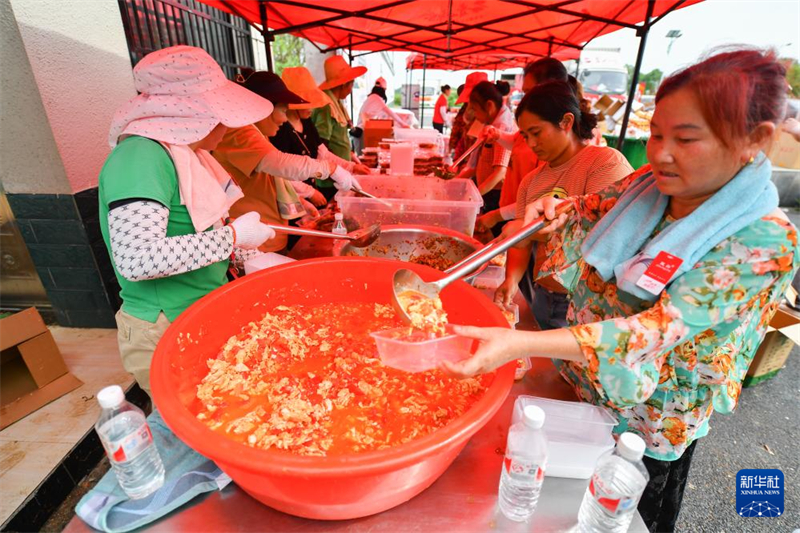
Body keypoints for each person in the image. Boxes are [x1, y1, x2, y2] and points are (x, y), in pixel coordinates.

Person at [443, 49, 798, 533]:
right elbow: (588, 205)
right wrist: (553, 204)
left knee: (627, 514)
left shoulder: (765, 239)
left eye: (686, 139)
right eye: (655, 134)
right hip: (589, 382)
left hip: (653, 417)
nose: (660, 153)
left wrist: (520, 341)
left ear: (752, 141)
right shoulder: (651, 184)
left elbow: (654, 330)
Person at [99, 46, 276, 394]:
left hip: (198, 310)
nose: (226, 125)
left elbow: (193, 227)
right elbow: (137, 258)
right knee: (190, 428)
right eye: (219, 113)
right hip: (163, 325)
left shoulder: (184, 156)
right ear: (192, 114)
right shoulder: (140, 157)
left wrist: (243, 252)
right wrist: (233, 237)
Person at [496, 81, 632, 330]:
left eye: (536, 132)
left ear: (566, 122)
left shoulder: (604, 163)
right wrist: (511, 280)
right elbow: (522, 242)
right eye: (525, 136)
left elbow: (608, 232)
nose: (532, 144)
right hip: (545, 294)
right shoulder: (532, 181)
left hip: (588, 301)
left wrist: (525, 228)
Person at [213, 72, 361, 254]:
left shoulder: (259, 132)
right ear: (263, 107)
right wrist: (330, 169)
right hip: (255, 244)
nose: (284, 119)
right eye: (283, 110)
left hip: (269, 234)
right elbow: (279, 163)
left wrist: (300, 201)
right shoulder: (239, 132)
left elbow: (270, 178)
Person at [476, 57, 570, 235]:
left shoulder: (552, 146)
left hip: (528, 220)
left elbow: (540, 199)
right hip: (514, 211)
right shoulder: (535, 130)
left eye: (529, 92)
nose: (531, 142)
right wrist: (497, 135)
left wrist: (497, 215)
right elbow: (517, 142)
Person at [272, 67, 370, 202]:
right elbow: (280, 173)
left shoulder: (306, 122)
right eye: (308, 104)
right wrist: (309, 193)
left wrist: (351, 166)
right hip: (292, 198)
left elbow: (323, 153)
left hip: (311, 190)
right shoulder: (279, 129)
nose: (312, 109)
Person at [453, 80, 516, 215]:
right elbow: (474, 164)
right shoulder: (490, 124)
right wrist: (454, 181)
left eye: (475, 110)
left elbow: (499, 173)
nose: (475, 116)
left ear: (489, 106)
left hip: (495, 195)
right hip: (486, 191)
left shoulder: (501, 126)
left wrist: (473, 196)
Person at [312, 55, 367, 200]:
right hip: (331, 177)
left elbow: (338, 138)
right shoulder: (326, 105)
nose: (350, 90)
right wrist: (336, 171)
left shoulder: (336, 102)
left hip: (341, 169)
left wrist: (351, 157)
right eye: (351, 85)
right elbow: (322, 146)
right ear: (344, 84)